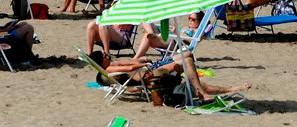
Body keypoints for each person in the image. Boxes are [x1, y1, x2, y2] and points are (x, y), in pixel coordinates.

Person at [88, 49, 251, 103]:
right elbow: (130, 66)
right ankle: (204, 92)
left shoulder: (109, 67)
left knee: (187, 54)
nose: (107, 54)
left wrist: (140, 60)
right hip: (148, 74)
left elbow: (130, 62)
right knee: (186, 60)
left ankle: (204, 90)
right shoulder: (109, 68)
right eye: (104, 54)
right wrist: (142, 64)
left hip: (148, 70)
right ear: (101, 61)